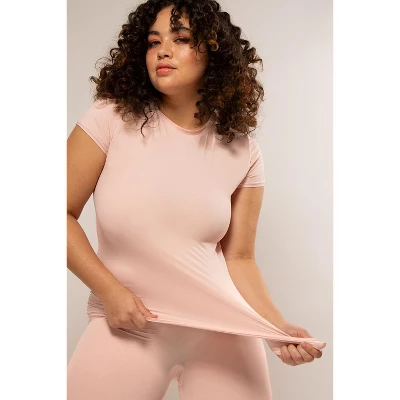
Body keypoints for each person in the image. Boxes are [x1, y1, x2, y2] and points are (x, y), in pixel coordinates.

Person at [67, 0, 326, 399]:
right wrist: (109, 292)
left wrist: (276, 327)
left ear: (214, 52)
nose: (163, 51)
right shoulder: (110, 119)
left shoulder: (243, 151)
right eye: (153, 42)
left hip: (221, 331)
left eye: (181, 39)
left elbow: (240, 258)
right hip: (131, 326)